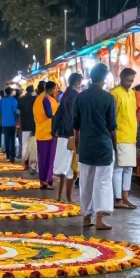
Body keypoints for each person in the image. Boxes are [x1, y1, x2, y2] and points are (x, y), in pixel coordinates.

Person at [74, 64, 117, 230]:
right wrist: (115, 146)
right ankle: (99, 218)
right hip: (103, 145)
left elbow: (75, 124)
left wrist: (77, 144)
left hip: (85, 145)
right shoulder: (108, 98)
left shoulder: (80, 97)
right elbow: (112, 126)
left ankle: (86, 216)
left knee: (86, 181)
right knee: (103, 182)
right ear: (105, 78)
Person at [111, 67, 140, 210]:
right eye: (128, 80)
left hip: (131, 136)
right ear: (121, 78)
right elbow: (111, 117)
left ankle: (125, 197)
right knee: (118, 169)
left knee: (128, 169)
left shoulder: (133, 93)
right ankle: (117, 199)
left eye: (132, 80)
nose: (130, 83)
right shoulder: (114, 94)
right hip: (120, 136)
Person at [52, 72, 82, 202]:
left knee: (64, 169)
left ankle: (60, 197)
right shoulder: (76, 96)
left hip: (63, 135)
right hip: (72, 135)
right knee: (72, 169)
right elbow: (76, 117)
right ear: (78, 82)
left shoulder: (64, 96)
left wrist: (54, 131)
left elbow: (58, 114)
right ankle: (68, 197)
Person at [33, 81, 59, 189]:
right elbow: (49, 114)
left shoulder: (38, 99)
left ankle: (43, 180)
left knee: (42, 158)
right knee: (49, 158)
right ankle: (47, 180)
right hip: (49, 132)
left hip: (40, 132)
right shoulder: (46, 99)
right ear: (53, 88)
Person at [0, 86, 20, 162]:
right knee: (12, 139)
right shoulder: (14, 100)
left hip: (5, 123)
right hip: (12, 123)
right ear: (11, 92)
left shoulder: (2, 101)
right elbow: (16, 111)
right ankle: (12, 155)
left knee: (6, 139)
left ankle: (7, 154)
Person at [18, 82, 37, 169]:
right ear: (32, 91)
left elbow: (19, 112)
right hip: (34, 125)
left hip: (24, 124)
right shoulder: (35, 99)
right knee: (33, 146)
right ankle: (32, 164)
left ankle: (25, 162)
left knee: (24, 144)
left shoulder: (21, 100)